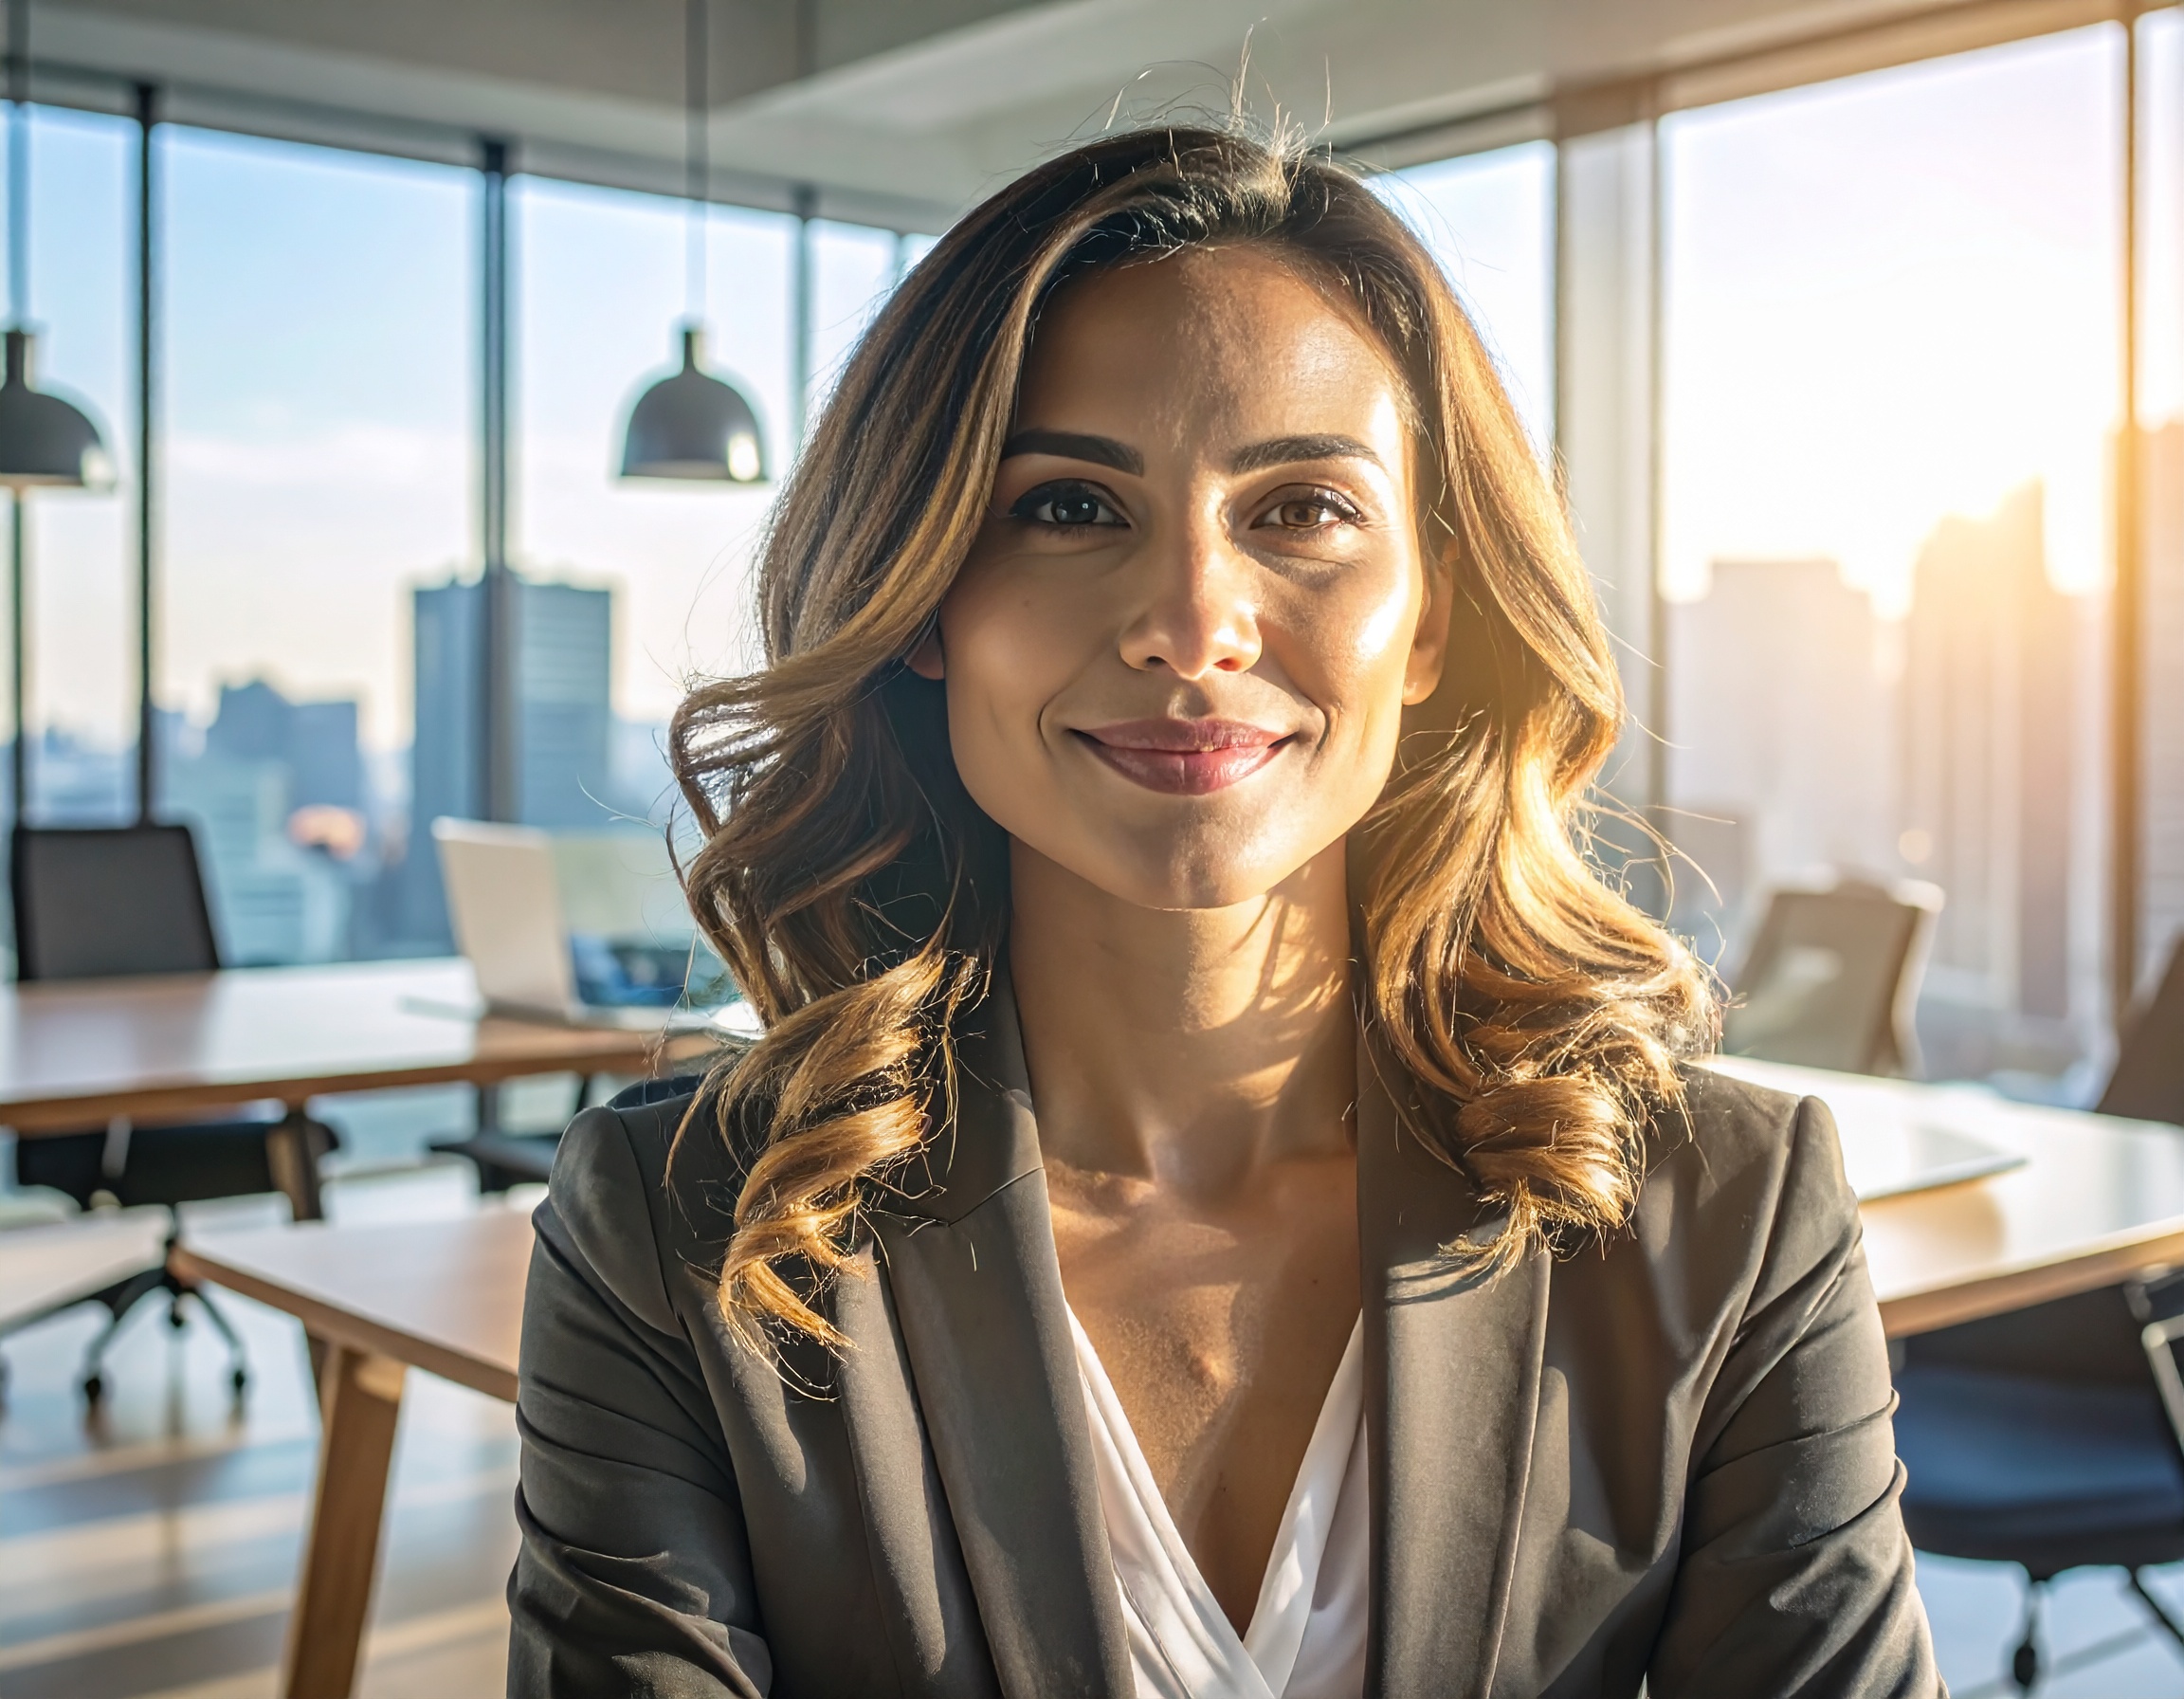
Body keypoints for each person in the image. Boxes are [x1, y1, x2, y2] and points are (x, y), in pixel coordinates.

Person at [507, 124, 1941, 1698]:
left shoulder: (1726, 1216)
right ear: (924, 603)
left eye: (1303, 508)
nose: (1192, 625)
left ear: (1434, 615)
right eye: (1066, 509)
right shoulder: (681, 1232)